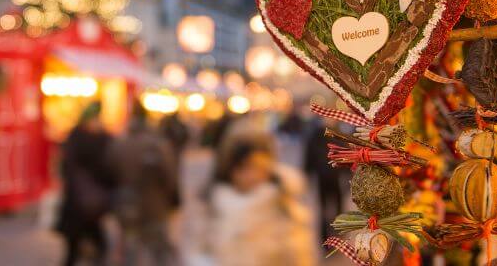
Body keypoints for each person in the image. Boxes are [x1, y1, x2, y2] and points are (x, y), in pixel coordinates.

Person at [205, 130, 316, 266]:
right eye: (243, 168)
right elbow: (202, 252)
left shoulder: (282, 203)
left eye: (257, 167)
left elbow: (298, 254)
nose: (251, 175)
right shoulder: (215, 203)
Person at [108, 101, 179, 266]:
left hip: (126, 204)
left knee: (130, 249)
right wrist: (173, 201)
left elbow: (109, 172)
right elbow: (170, 177)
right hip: (155, 205)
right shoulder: (158, 145)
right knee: (159, 251)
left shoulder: (120, 143)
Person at [55, 102, 113, 266]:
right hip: (85, 202)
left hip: (84, 201)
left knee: (79, 248)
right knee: (79, 248)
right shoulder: (101, 139)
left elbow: (65, 168)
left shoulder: (78, 137)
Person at [303, 119, 344, 240]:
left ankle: (336, 231)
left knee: (336, 205)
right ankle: (326, 235)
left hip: (333, 176)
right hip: (324, 177)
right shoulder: (316, 135)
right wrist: (308, 174)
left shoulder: (335, 133)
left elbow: (344, 152)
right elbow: (309, 157)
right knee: (325, 207)